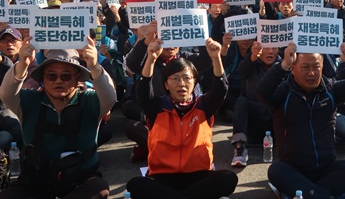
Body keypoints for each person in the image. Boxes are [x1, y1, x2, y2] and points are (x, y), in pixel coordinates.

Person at [0, 37, 116, 199]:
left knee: (99, 189)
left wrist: (95, 67)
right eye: (51, 76)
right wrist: (22, 65)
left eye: (66, 76)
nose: (58, 81)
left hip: (79, 180)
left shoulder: (89, 101)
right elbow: (7, 94)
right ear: (43, 79)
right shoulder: (30, 101)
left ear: (77, 79)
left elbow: (110, 98)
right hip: (36, 181)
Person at [126, 37, 238, 199]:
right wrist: (150, 58)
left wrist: (216, 58)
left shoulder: (204, 105)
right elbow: (143, 89)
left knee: (228, 178)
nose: (181, 84)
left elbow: (221, 88)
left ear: (194, 82)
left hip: (199, 175)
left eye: (187, 78)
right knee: (136, 185)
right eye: (175, 79)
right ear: (166, 84)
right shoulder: (156, 106)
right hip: (163, 177)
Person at [258, 42, 345, 199]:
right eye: (305, 67)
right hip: (293, 169)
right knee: (276, 171)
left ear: (322, 67)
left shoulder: (331, 89)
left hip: (325, 168)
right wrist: (282, 65)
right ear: (293, 68)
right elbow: (262, 93)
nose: (311, 73)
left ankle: (308, 194)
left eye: (316, 67)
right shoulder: (284, 91)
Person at [230, 41, 278, 166]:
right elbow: (241, 70)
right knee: (241, 102)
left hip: (276, 127)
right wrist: (252, 57)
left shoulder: (284, 65)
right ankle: (240, 149)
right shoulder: (251, 64)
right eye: (266, 48)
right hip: (253, 125)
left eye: (274, 47)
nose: (270, 51)